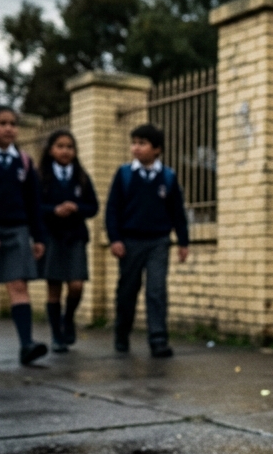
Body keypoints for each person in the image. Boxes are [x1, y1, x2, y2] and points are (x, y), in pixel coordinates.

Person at [105, 123, 188, 358]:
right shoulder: (124, 175)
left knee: (156, 290)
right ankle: (122, 333)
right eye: (134, 143)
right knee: (128, 290)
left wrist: (183, 242)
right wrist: (115, 239)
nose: (136, 148)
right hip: (130, 242)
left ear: (157, 149)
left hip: (159, 242)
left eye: (142, 143)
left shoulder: (168, 177)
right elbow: (113, 210)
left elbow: (177, 213)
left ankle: (158, 340)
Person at [0, 104, 48, 365]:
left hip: (17, 230)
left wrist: (39, 236)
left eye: (13, 123)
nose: (9, 128)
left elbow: (34, 203)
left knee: (19, 285)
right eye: (2, 123)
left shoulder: (23, 161)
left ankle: (26, 345)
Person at [38, 129, 98, 353]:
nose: (65, 151)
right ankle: (57, 336)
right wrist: (54, 210)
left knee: (76, 285)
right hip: (52, 237)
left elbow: (93, 207)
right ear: (51, 150)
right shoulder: (41, 177)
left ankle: (68, 318)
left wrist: (77, 208)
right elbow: (34, 206)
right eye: (60, 146)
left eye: (69, 147)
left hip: (75, 237)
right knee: (54, 288)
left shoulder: (81, 177)